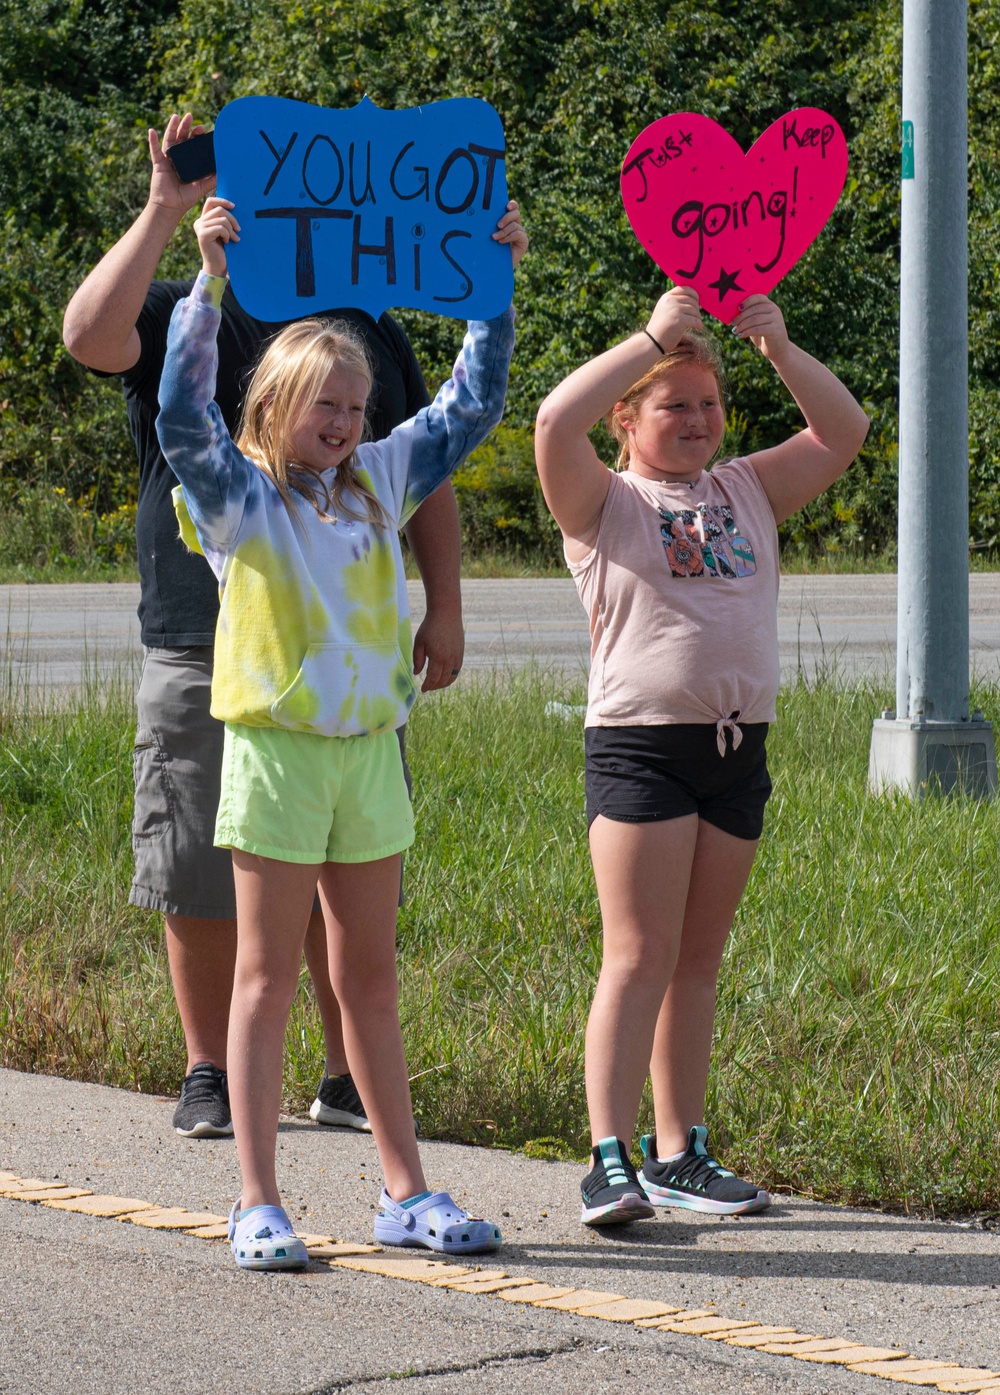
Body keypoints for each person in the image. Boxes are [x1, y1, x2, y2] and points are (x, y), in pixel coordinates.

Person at [63, 114, 465, 1139]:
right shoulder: (180, 307)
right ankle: (209, 1068)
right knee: (199, 857)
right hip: (204, 640)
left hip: (345, 654)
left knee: (346, 862)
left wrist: (444, 604)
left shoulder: (364, 327)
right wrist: (164, 210)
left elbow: (426, 470)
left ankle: (342, 1073)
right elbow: (87, 337)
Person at [157, 191, 527, 1267]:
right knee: (266, 975)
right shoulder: (237, 497)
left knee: (369, 977)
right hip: (275, 755)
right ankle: (257, 1199)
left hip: (368, 753)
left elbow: (470, 404)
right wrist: (208, 284)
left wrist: (492, 291)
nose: (343, 424)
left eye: (357, 407)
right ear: (273, 405)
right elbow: (182, 417)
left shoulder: (379, 481)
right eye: (323, 404)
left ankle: (405, 1191)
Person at [534, 285, 868, 1225]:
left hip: (736, 749)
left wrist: (782, 352)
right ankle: (609, 1156)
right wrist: (649, 335)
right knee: (638, 953)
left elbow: (844, 431)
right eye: (671, 403)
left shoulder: (747, 488)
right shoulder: (604, 503)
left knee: (696, 962)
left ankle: (680, 1152)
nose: (695, 420)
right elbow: (554, 417)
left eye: (708, 403)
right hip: (643, 748)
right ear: (627, 419)